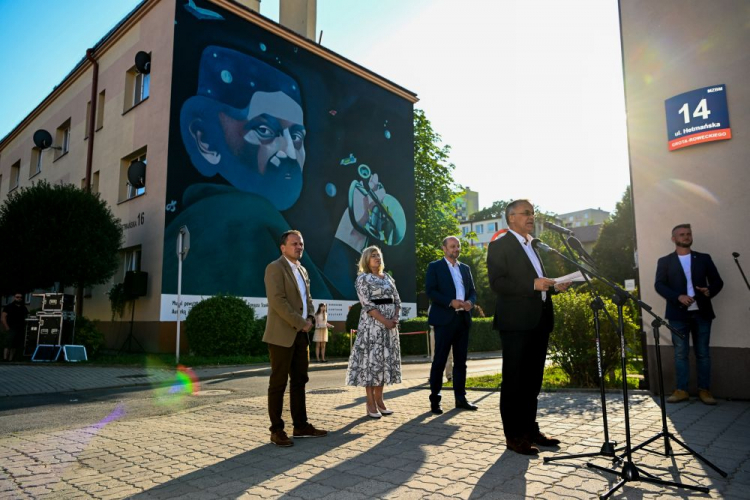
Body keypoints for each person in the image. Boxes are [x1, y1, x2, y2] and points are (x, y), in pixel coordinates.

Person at [487, 200, 570, 456]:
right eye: (526, 213)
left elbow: (537, 284)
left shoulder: (533, 245)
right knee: (514, 381)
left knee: (533, 382)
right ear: (511, 218)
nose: (531, 217)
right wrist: (533, 285)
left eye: (533, 213)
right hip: (516, 323)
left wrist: (553, 287)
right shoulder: (499, 245)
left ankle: (530, 430)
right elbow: (498, 283)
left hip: (539, 321)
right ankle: (513, 437)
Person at [263, 230, 328, 447]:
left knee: (300, 381)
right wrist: (302, 323)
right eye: (294, 244)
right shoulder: (275, 268)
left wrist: (310, 318)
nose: (299, 247)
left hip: (301, 335)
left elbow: (308, 299)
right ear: (283, 247)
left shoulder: (303, 270)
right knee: (278, 383)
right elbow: (278, 302)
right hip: (282, 335)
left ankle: (300, 426)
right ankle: (277, 430)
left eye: (301, 244)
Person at [655, 224, 723, 405]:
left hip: (702, 313)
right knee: (680, 354)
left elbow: (717, 281)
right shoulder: (665, 261)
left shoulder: (703, 258)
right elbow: (659, 285)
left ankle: (705, 390)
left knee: (703, 353)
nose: (686, 237)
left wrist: (709, 290)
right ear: (674, 239)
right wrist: (678, 296)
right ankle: (682, 390)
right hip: (678, 315)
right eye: (682, 234)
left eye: (688, 234)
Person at [346, 246, 402, 418]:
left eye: (378, 255)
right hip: (372, 327)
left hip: (389, 328)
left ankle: (380, 400)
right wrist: (384, 320)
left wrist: (394, 318)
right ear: (366, 260)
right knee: (371, 365)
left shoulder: (388, 277)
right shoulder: (363, 278)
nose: (377, 258)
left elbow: (397, 300)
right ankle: (370, 403)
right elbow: (367, 304)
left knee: (384, 364)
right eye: (373, 256)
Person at [426, 236, 478, 414]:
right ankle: (435, 400)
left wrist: (470, 302)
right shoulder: (435, 267)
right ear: (444, 249)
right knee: (439, 361)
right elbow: (430, 291)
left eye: (458, 246)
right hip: (444, 320)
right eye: (452, 246)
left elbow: (472, 291)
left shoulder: (465, 268)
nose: (456, 249)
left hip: (462, 320)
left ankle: (461, 399)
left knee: (461, 362)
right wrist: (450, 302)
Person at [2, 293, 28, 362]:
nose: (19, 298)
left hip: (20, 328)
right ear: (14, 297)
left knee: (15, 345)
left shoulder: (23, 307)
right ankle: (5, 358)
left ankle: (11, 359)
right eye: (17, 297)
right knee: (8, 344)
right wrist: (6, 327)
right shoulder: (8, 307)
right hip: (11, 327)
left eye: (20, 297)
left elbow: (26, 317)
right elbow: (3, 317)